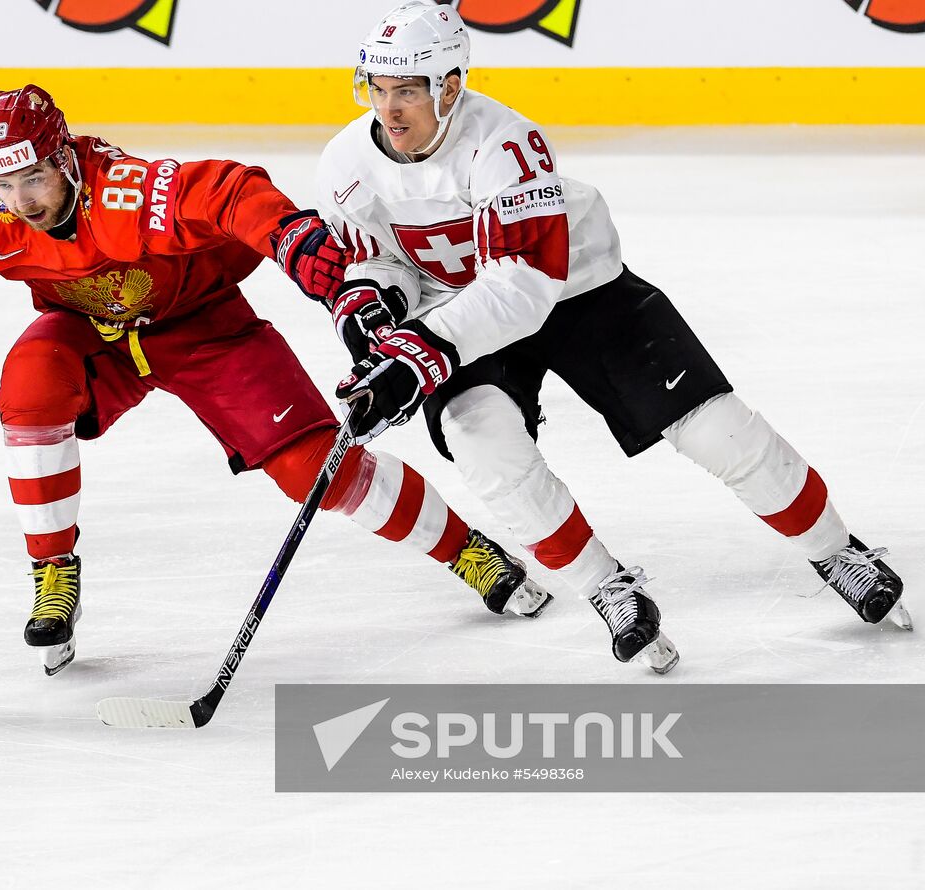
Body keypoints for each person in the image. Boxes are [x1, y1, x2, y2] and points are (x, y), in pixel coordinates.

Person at [0, 84, 551, 676]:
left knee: (315, 472)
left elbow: (228, 190)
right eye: (4, 183)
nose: (21, 200)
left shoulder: (127, 192)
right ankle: (53, 573)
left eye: (35, 179)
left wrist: (287, 235)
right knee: (29, 386)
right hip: (96, 337)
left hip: (207, 329)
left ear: (67, 161)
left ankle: (466, 550)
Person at [319, 0, 909, 674]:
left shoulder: (505, 144)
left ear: (450, 88)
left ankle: (836, 550)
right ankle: (607, 589)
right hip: (458, 315)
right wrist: (371, 307)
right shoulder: (345, 164)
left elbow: (522, 287)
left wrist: (421, 351)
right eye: (378, 90)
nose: (389, 111)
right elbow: (378, 259)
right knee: (484, 447)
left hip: (577, 292)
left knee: (717, 430)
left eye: (407, 93)